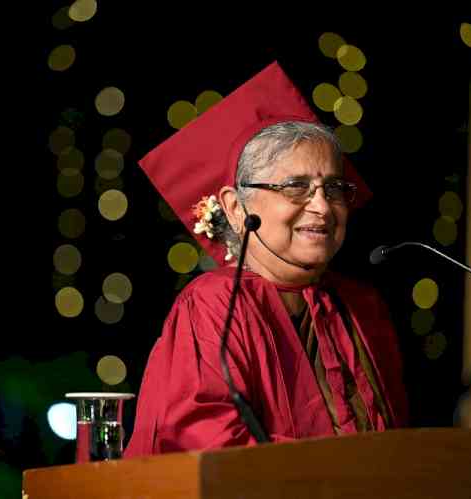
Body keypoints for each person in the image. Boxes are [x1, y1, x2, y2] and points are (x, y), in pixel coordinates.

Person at [124, 61, 408, 457]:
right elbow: (207, 451)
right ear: (236, 208)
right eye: (296, 187)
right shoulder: (214, 305)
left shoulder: (364, 306)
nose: (323, 208)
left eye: (334, 188)